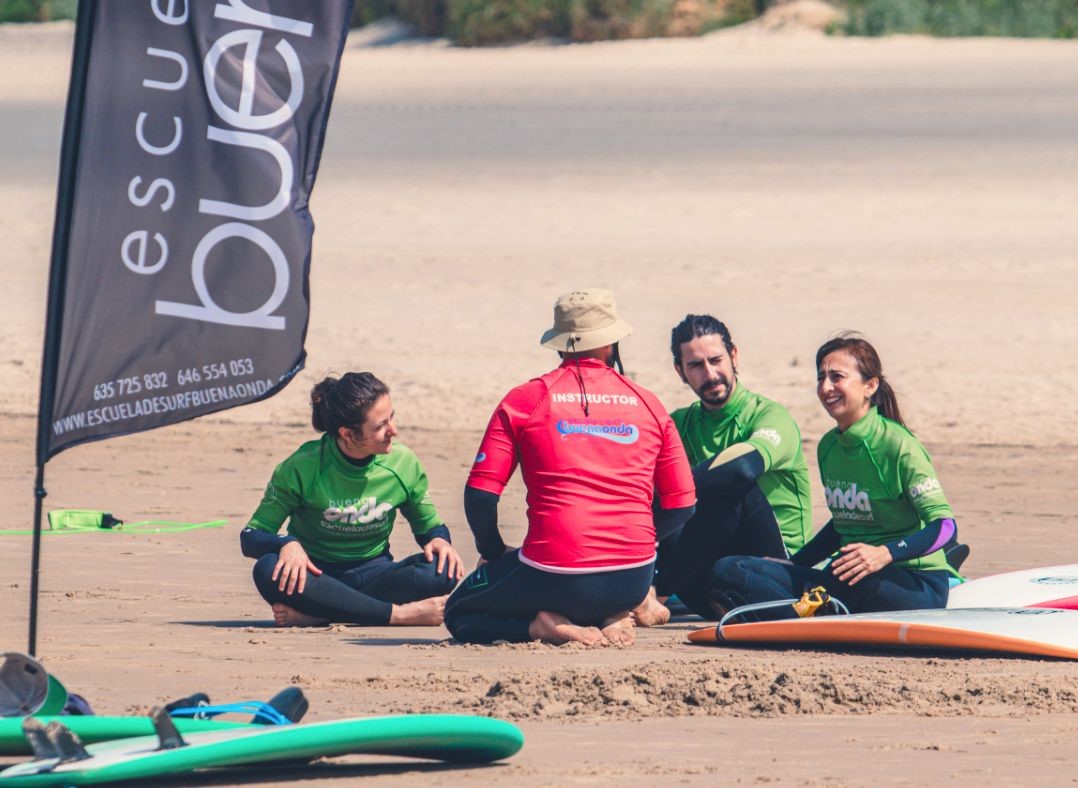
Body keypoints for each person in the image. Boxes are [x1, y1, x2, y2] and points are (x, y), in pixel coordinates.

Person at [444, 289, 696, 646]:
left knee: (460, 611)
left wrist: (494, 549)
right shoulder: (649, 403)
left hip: (555, 573)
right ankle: (615, 614)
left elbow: (480, 496)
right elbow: (682, 504)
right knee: (585, 586)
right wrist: (636, 540)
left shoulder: (525, 400)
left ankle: (543, 627)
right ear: (611, 345)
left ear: (561, 344)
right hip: (633, 577)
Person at [711, 334, 967, 619]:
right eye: (821, 378)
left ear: (871, 385)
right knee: (730, 568)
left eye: (837, 377)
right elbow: (842, 524)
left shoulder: (898, 445)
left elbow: (945, 527)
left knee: (850, 579)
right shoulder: (829, 447)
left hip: (913, 582)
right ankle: (800, 609)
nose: (826, 387)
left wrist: (884, 554)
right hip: (846, 576)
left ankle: (792, 608)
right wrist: (794, 564)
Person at [241, 372, 464, 628]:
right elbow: (250, 537)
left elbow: (428, 527)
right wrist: (286, 543)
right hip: (315, 577)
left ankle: (323, 615)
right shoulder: (303, 467)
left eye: (392, 417)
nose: (394, 430)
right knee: (267, 569)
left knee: (442, 568)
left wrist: (439, 540)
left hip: (375, 574)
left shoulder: (402, 464)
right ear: (348, 434)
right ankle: (396, 615)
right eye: (380, 426)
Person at [634, 314, 813, 624]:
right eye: (696, 366)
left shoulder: (769, 416)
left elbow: (743, 469)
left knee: (730, 488)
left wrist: (675, 489)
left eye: (716, 360)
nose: (710, 373)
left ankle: (656, 596)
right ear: (680, 372)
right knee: (655, 503)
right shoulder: (678, 425)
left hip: (773, 577)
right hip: (705, 582)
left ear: (733, 356)